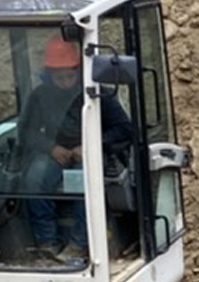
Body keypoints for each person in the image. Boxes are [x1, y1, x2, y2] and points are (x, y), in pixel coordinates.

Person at [11, 36, 132, 264]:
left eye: (70, 76)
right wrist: (50, 147)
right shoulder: (40, 96)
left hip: (90, 151)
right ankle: (47, 242)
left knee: (83, 183)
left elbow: (124, 130)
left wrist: (90, 145)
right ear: (49, 75)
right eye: (59, 77)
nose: (66, 81)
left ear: (79, 71)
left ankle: (79, 243)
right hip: (56, 152)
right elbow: (26, 130)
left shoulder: (99, 94)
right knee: (33, 180)